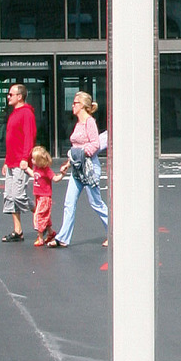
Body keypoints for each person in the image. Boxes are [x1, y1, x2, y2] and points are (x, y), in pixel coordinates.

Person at [55, 90, 108, 248]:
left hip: (90, 168)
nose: (72, 105)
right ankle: (63, 237)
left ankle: (114, 233)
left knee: (96, 203)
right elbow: (76, 147)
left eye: (75, 103)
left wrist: (81, 153)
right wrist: (68, 163)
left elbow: (95, 145)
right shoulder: (78, 123)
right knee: (69, 203)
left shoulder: (89, 122)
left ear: (83, 105)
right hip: (77, 168)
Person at [0, 82, 36, 242]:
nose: (8, 97)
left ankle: (42, 216)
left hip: (21, 162)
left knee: (18, 196)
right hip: (11, 161)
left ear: (19, 97)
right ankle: (18, 230)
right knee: (9, 196)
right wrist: (6, 161)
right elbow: (11, 140)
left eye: (11, 94)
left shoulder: (26, 113)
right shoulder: (14, 113)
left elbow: (29, 137)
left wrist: (24, 159)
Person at [30, 146, 56, 247]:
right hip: (38, 196)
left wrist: (62, 174)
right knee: (45, 216)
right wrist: (26, 169)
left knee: (39, 215)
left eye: (33, 159)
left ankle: (40, 237)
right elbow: (34, 175)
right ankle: (50, 232)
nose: (32, 161)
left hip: (45, 197)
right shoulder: (36, 168)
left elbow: (55, 178)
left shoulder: (46, 170)